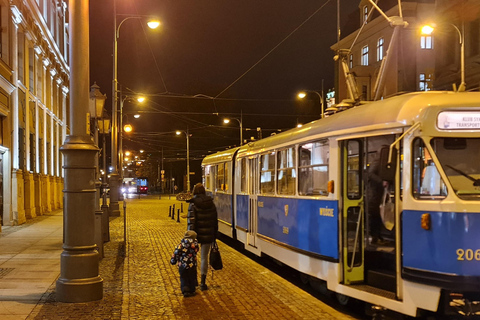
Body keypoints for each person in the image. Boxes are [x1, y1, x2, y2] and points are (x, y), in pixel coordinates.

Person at [187, 183, 218, 291]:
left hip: (195, 235)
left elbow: (191, 221)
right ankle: (203, 283)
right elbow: (215, 221)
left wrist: (189, 235)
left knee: (192, 257)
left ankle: (194, 281)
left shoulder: (193, 204)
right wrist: (215, 235)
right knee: (204, 257)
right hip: (208, 234)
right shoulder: (211, 203)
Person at [170, 230, 199, 297]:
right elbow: (196, 252)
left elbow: (176, 253)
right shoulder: (195, 246)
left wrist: (173, 261)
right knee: (192, 277)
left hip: (182, 265)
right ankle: (192, 290)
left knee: (183, 277)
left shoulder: (181, 245)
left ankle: (185, 290)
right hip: (192, 265)